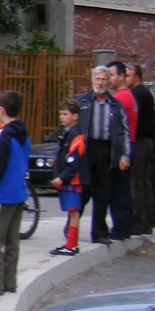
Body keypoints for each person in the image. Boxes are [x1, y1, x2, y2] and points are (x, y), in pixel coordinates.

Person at [0, 91, 30, 295]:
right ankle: (10, 282)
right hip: (19, 192)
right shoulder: (24, 134)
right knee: (12, 241)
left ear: (1, 109)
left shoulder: (2, 135)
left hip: (2, 194)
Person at [75, 66, 130, 245]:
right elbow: (70, 126)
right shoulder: (81, 101)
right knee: (83, 191)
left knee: (102, 193)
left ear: (109, 82)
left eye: (104, 79)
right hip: (86, 149)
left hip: (106, 151)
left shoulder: (116, 105)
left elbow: (124, 131)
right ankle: (72, 226)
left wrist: (125, 156)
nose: (100, 83)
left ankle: (99, 232)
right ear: (92, 80)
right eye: (97, 79)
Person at [49, 100, 88, 256]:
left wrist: (62, 177)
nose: (62, 117)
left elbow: (73, 160)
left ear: (75, 116)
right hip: (70, 179)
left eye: (65, 114)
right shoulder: (69, 132)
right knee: (72, 211)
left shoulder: (76, 134)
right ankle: (71, 243)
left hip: (73, 180)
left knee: (73, 211)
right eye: (61, 114)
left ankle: (71, 245)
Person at [106, 61, 136, 240]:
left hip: (122, 148)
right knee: (123, 189)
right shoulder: (129, 96)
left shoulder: (120, 99)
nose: (109, 78)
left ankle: (120, 228)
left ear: (122, 76)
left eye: (112, 74)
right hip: (130, 145)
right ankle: (126, 226)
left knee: (117, 190)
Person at [126, 63, 154, 235]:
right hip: (146, 141)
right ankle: (147, 221)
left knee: (137, 183)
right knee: (144, 182)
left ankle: (138, 223)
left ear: (136, 77)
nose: (125, 78)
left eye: (128, 75)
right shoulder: (145, 93)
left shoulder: (138, 94)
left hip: (140, 141)